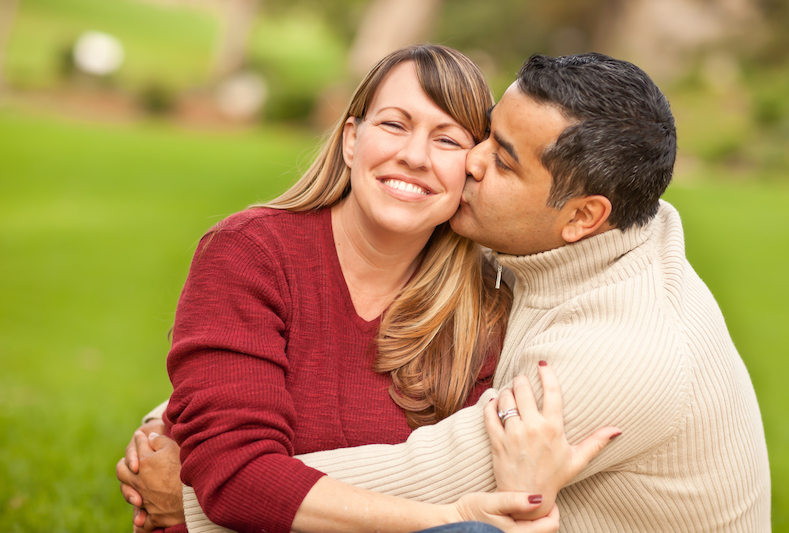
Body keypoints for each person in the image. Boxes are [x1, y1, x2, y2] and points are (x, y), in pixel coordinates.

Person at [175, 52, 771, 532]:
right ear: (350, 137)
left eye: (502, 160)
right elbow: (244, 372)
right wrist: (186, 422)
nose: (471, 164)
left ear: (584, 216)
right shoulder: (567, 239)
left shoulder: (620, 353)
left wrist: (190, 492)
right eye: (485, 137)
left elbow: (435, 479)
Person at [117, 45, 617, 533]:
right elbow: (236, 476)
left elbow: (485, 476)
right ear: (352, 139)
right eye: (394, 124)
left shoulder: (480, 304)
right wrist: (448, 518)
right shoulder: (252, 252)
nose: (414, 156)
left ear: (473, 166)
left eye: (447, 140)